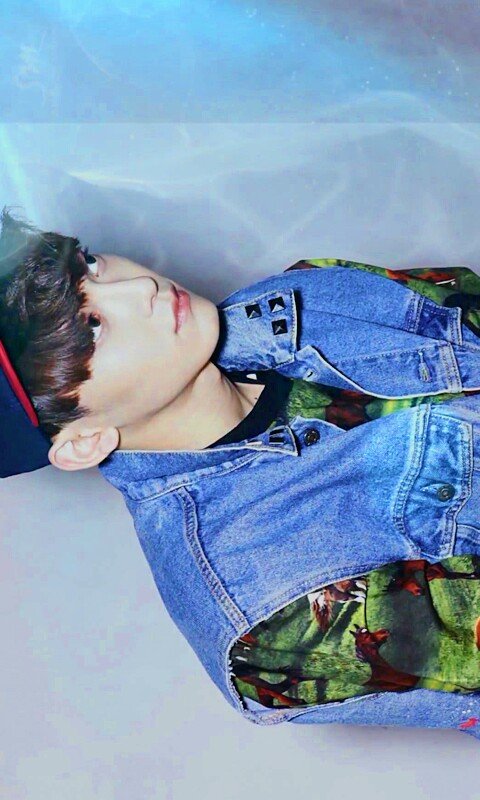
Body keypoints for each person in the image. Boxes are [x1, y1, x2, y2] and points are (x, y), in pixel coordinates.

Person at [3, 205, 480, 740]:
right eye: (94, 328)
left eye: (89, 264)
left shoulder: (291, 300)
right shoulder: (263, 617)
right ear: (83, 441)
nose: (139, 287)